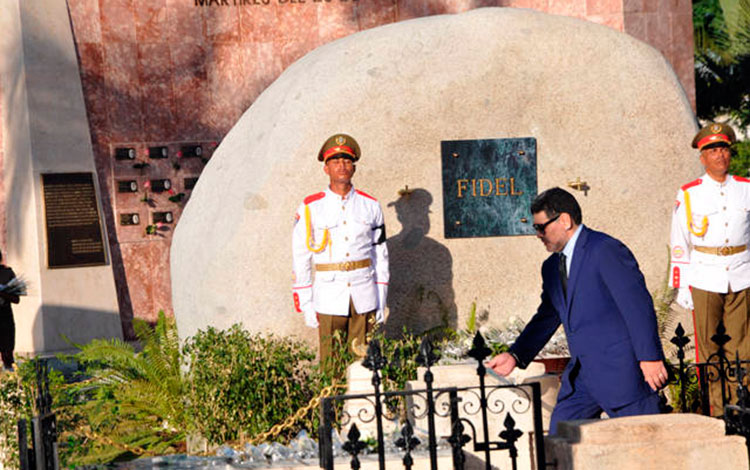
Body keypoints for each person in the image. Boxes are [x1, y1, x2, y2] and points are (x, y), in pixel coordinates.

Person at [487, 187, 666, 434]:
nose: (537, 235)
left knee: (648, 446)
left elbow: (637, 306)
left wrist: (650, 357)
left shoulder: (605, 249)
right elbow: (547, 317)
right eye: (535, 228)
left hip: (622, 374)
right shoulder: (551, 267)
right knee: (559, 440)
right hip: (582, 380)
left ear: (565, 220)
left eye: (541, 227)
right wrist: (516, 355)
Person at [669, 121, 748, 415]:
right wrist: (682, 284)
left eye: (724, 149)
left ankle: (742, 404)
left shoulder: (746, 188)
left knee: (742, 345)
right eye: (713, 150)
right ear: (702, 157)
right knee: (709, 347)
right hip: (704, 274)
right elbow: (680, 242)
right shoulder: (689, 193)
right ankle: (717, 410)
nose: (720, 156)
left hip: (741, 272)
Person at [292, 134, 389, 367]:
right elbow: (301, 257)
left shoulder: (370, 205)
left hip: (363, 294)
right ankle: (333, 406)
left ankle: (361, 405)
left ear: (353, 167)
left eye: (346, 161)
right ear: (326, 168)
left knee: (363, 363)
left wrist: (380, 298)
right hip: (329, 296)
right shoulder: (311, 207)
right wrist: (305, 302)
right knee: (331, 364)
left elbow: (380, 256)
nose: (342, 167)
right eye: (335, 162)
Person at [0, 251, 20, 371]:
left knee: (7, 352)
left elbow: (16, 299)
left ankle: (9, 376)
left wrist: (2, 293)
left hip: (4, 317)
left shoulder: (7, 274)